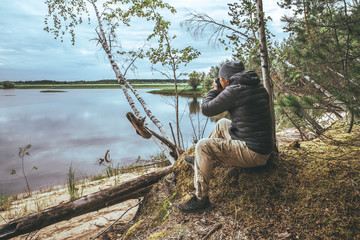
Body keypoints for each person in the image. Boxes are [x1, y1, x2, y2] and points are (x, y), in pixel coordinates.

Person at [176, 60, 273, 213]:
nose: (219, 81)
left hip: (253, 152)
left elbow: (206, 109)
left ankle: (201, 200)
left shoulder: (234, 91)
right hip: (261, 145)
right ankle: (199, 161)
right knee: (222, 123)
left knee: (203, 145)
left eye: (220, 78)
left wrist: (214, 90)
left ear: (226, 79)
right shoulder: (257, 86)